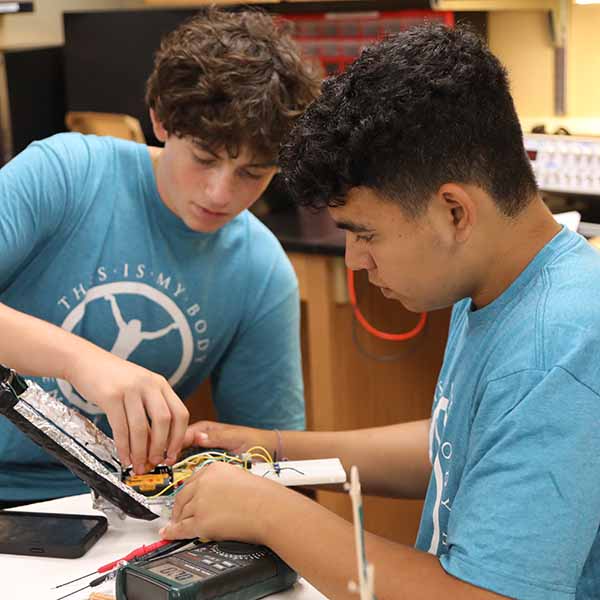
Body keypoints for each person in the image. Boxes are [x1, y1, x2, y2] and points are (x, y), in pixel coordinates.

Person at [160, 23, 600, 600]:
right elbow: (467, 442)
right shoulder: (503, 283)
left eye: (365, 233)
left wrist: (271, 515)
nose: (354, 261)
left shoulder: (559, 349)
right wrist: (277, 450)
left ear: (454, 212)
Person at [0, 8, 320, 507]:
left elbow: (267, 461)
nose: (221, 193)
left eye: (252, 173)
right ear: (160, 120)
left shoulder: (261, 271)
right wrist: (83, 362)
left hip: (121, 509)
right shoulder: (64, 174)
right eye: (205, 159)